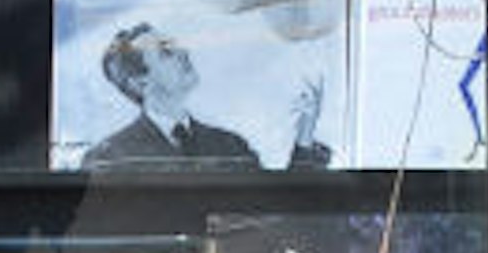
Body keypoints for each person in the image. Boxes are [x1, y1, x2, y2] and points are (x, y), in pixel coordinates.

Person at [82, 25, 329, 169]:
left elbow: (284, 222)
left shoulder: (231, 147)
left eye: (177, 46)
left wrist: (304, 139)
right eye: (167, 52)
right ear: (140, 82)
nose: (184, 52)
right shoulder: (109, 159)